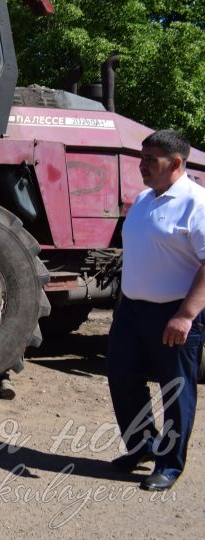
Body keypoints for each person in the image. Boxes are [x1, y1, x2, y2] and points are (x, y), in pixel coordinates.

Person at [107, 129, 205, 491]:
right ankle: (143, 444)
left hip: (174, 314)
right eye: (142, 158)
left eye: (151, 159)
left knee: (175, 390)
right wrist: (123, 305)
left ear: (176, 163)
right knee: (121, 374)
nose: (141, 165)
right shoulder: (144, 199)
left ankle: (169, 464)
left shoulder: (197, 203)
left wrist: (185, 315)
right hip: (132, 311)